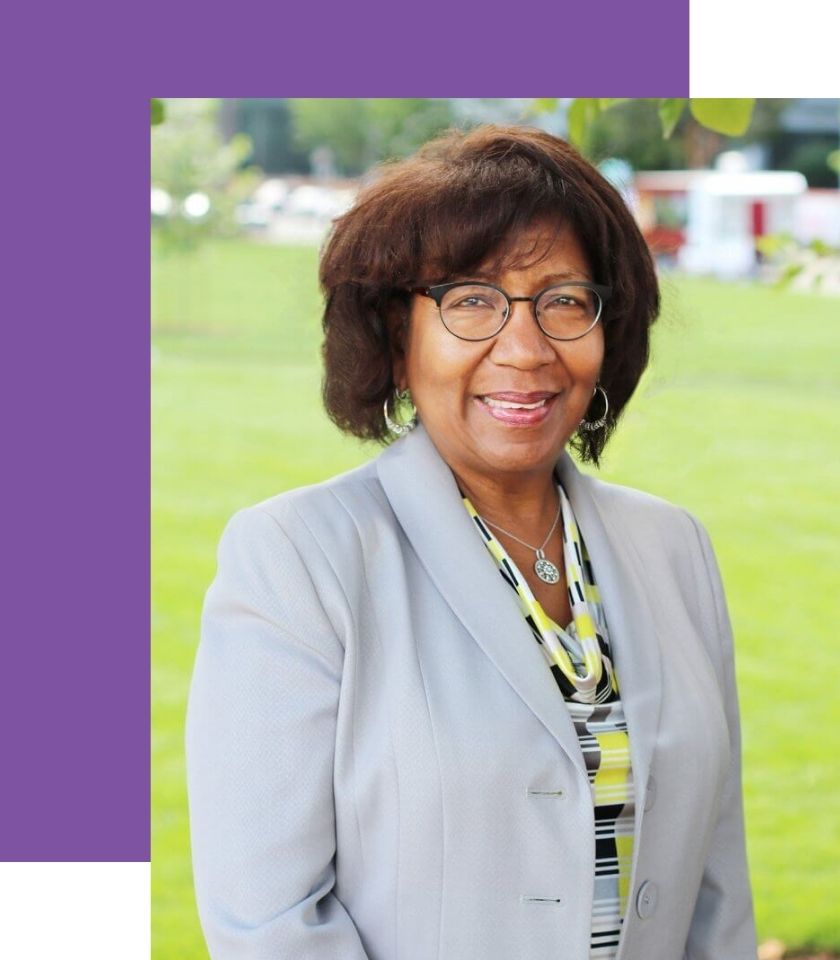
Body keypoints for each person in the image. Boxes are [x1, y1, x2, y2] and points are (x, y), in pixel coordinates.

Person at [185, 125, 758, 960]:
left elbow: (717, 890)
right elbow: (268, 921)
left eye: (565, 300)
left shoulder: (674, 549)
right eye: (472, 300)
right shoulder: (299, 558)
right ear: (397, 336)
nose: (525, 349)